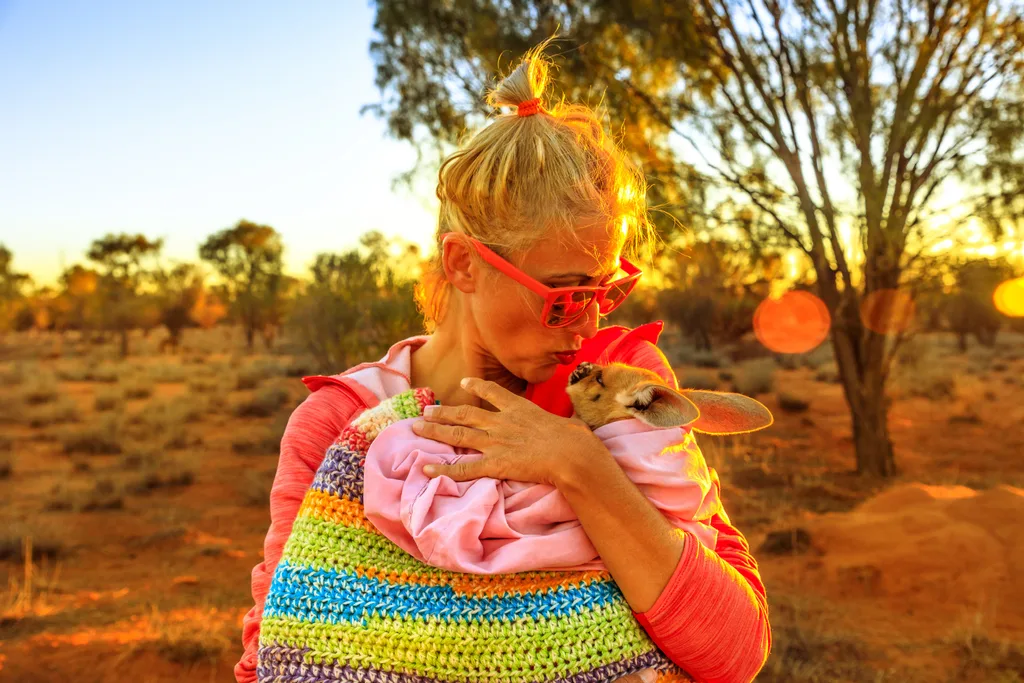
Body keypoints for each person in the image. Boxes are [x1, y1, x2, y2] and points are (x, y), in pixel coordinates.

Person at [236, 44, 771, 683]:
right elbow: (280, 653)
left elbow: (734, 649)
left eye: (606, 292)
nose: (588, 326)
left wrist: (579, 464)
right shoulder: (342, 421)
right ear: (463, 263)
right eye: (567, 296)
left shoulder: (617, 383)